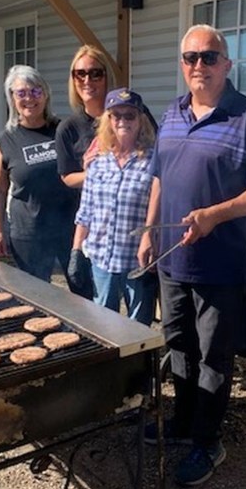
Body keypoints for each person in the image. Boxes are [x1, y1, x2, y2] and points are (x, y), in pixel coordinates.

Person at [138, 24, 246, 487]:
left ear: (227, 64)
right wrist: (147, 232)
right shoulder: (172, 113)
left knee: (213, 356)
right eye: (190, 57)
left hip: (219, 262)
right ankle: (183, 421)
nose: (199, 65)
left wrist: (216, 215)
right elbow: (160, 178)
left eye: (209, 57)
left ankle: (208, 441)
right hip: (172, 259)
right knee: (177, 342)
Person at [71, 88, 157, 325]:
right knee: (103, 323)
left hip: (136, 261)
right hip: (101, 258)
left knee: (139, 326)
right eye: (116, 115)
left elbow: (159, 209)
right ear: (107, 121)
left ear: (141, 120)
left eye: (130, 115)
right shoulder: (97, 162)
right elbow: (85, 212)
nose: (122, 121)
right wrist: (76, 251)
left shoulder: (153, 161)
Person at [0, 65, 76, 282]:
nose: (30, 98)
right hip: (29, 233)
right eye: (21, 93)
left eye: (36, 91)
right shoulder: (4, 141)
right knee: (37, 295)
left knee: (83, 291)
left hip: (71, 228)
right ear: (12, 98)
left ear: (46, 95)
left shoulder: (64, 130)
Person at [56, 44, 118, 297]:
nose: (87, 80)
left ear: (106, 76)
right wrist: (96, 172)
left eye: (95, 73)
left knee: (137, 307)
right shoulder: (68, 128)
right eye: (79, 74)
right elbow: (67, 177)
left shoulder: (129, 113)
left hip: (131, 222)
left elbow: (153, 159)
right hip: (94, 227)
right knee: (97, 303)